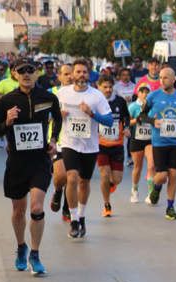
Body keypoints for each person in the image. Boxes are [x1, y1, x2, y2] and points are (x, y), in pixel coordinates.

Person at [0, 58, 61, 275]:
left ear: (37, 73)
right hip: (17, 162)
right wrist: (8, 122)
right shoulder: (6, 102)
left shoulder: (48, 97)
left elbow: (57, 119)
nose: (26, 74)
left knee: (37, 208)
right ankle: (21, 246)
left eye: (30, 70)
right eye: (21, 71)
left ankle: (35, 253)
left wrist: (53, 140)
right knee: (18, 211)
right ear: (14, 74)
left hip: (40, 160)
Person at [57, 58, 113, 239]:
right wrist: (59, 115)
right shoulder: (63, 93)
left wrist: (91, 113)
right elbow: (51, 114)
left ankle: (81, 216)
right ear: (72, 74)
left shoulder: (96, 96)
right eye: (78, 72)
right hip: (69, 142)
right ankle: (73, 220)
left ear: (89, 75)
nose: (81, 75)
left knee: (84, 182)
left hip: (90, 146)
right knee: (72, 178)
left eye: (84, 72)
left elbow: (109, 120)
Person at [142, 67, 176, 219]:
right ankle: (156, 187)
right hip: (159, 142)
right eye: (160, 77)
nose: (162, 80)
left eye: (166, 77)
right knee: (162, 176)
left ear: (173, 79)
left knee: (173, 174)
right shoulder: (153, 96)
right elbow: (142, 116)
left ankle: (170, 207)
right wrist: (153, 120)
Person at [96, 75, 130, 217]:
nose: (108, 89)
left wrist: (127, 127)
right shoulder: (96, 102)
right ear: (99, 87)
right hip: (101, 145)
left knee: (116, 179)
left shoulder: (120, 101)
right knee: (104, 174)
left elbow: (126, 117)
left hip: (117, 145)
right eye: (105, 87)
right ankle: (106, 204)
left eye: (110, 87)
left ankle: (111, 184)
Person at [49, 63, 73, 221]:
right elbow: (42, 117)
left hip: (75, 140)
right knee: (61, 176)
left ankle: (67, 207)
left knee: (72, 177)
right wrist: (57, 115)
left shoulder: (82, 93)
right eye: (66, 74)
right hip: (56, 139)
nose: (70, 77)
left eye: (72, 74)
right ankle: (58, 191)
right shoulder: (51, 94)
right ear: (59, 76)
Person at [127, 85, 154, 203]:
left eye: (147, 92)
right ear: (138, 93)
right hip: (136, 139)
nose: (145, 94)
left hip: (150, 139)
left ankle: (150, 193)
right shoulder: (133, 106)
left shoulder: (152, 106)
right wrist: (137, 119)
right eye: (142, 92)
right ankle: (134, 189)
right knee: (138, 167)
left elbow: (155, 120)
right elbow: (126, 122)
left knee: (151, 166)